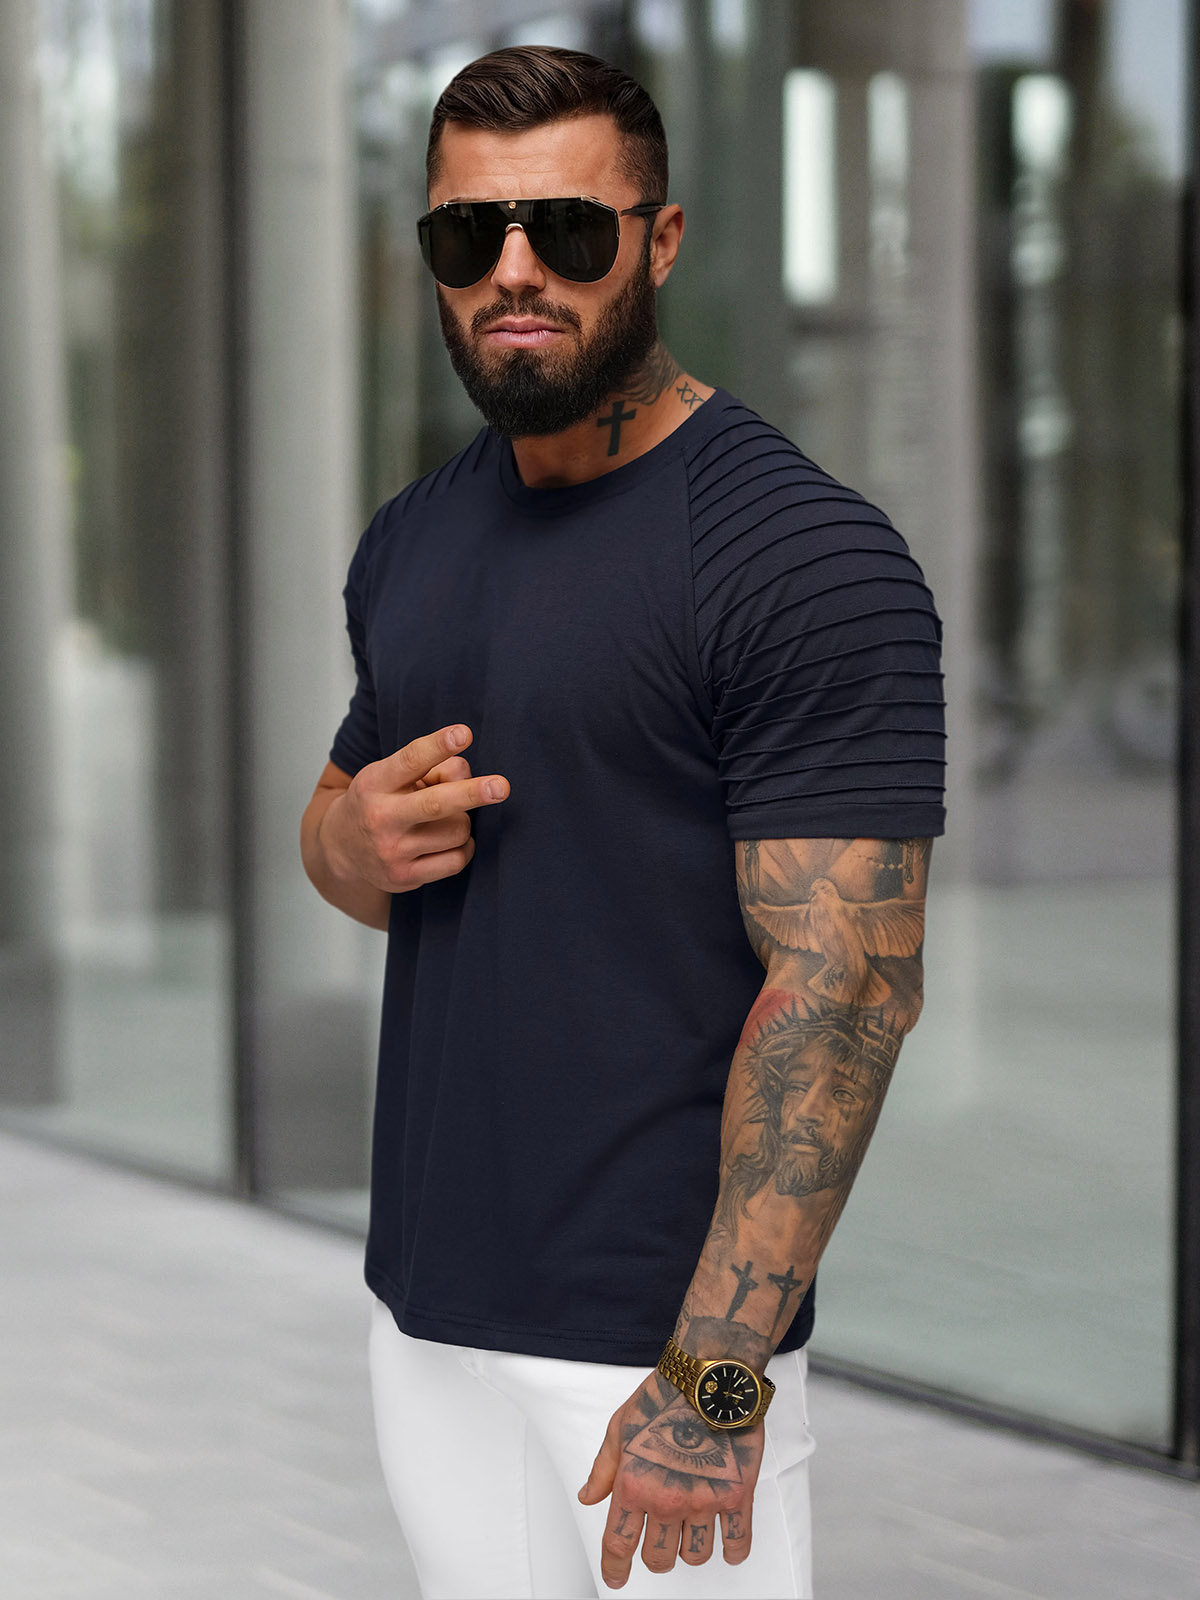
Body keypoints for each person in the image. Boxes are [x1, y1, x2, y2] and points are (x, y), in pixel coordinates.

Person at [300, 44, 945, 1600]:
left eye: (568, 231)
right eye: (471, 234)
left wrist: (715, 1384)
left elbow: (847, 990)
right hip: (427, 1310)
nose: (515, 272)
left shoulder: (799, 556)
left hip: (654, 1352)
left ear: (659, 242)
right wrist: (350, 844)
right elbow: (342, 830)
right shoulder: (414, 537)